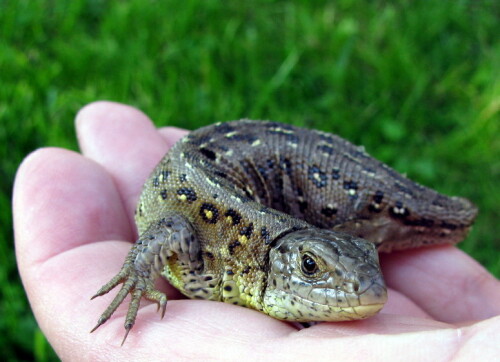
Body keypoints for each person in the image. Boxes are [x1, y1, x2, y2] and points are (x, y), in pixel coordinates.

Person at [13, 101, 500, 360]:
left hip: (267, 162)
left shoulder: (244, 266)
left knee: (442, 217)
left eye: (368, 263)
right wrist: (138, 273)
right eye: (311, 269)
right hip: (227, 163)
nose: (370, 291)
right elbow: (168, 234)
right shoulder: (211, 262)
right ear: (280, 265)